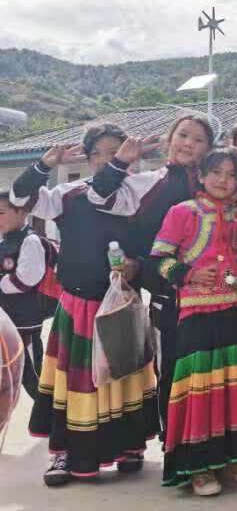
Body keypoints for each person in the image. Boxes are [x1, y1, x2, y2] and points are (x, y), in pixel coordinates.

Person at [12, 123, 160, 486]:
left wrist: (137, 266)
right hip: (78, 304)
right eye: (99, 154)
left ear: (132, 155)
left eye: (117, 153)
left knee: (124, 377)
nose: (109, 160)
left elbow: (156, 244)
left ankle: (129, 447)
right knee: (76, 383)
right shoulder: (69, 194)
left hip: (122, 302)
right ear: (88, 158)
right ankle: (65, 452)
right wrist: (44, 165)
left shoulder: (143, 193)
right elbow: (19, 197)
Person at [151, 148, 237, 496]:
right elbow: (158, 259)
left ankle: (234, 459)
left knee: (235, 385)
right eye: (217, 172)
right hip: (197, 313)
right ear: (201, 176)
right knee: (201, 389)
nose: (224, 180)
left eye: (232, 175)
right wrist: (187, 274)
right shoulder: (182, 212)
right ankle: (198, 467)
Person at [86, 113, 213, 432]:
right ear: (169, 140)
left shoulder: (215, 184)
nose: (189, 144)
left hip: (213, 295)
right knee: (170, 369)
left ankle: (208, 440)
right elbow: (99, 196)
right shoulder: (147, 183)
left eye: (198, 140)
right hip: (166, 295)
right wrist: (121, 161)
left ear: (208, 149)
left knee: (209, 369)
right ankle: (174, 441)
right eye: (183, 135)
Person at [0, 192, 49, 400]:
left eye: (1, 212)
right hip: (6, 321)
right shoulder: (6, 240)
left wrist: (1, 282)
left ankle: (50, 415)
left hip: (25, 324)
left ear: (21, 212)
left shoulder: (30, 241)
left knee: (33, 376)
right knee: (6, 376)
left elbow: (26, 280)